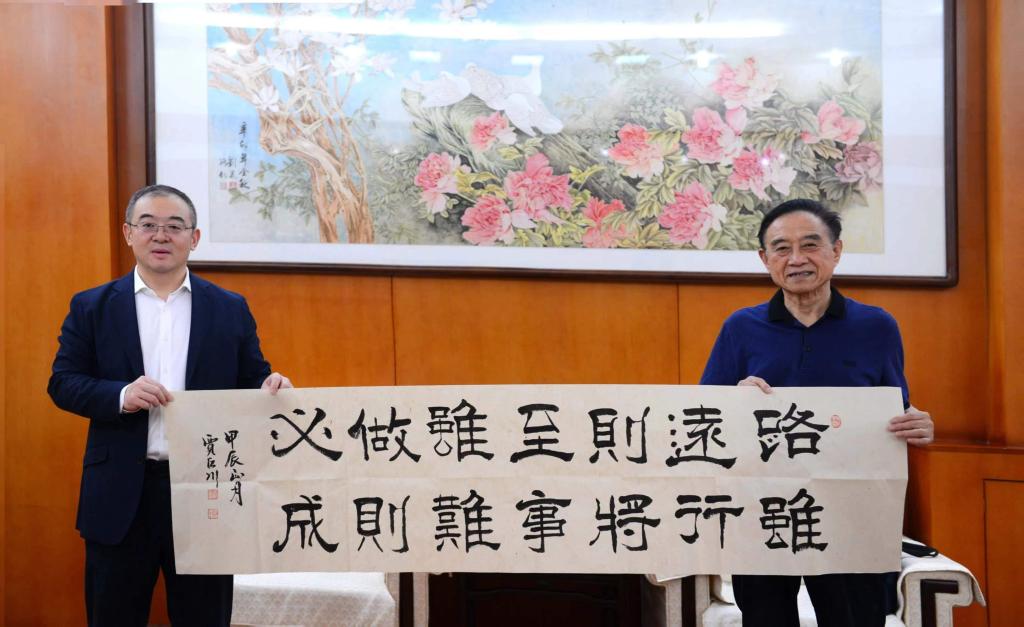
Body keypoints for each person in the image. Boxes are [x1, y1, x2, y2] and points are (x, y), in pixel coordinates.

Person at [48, 184, 293, 626]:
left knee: (205, 617)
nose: (161, 236)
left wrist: (272, 386)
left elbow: (253, 381)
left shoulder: (229, 308)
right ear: (128, 233)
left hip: (207, 491)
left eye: (175, 227)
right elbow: (63, 383)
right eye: (148, 225)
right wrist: (121, 395)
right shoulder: (92, 306)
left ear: (194, 238)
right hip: (121, 494)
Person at [700, 198, 934, 627]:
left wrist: (918, 424)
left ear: (836, 251)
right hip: (763, 512)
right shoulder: (741, 327)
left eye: (810, 245)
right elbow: (705, 418)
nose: (796, 259)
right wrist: (735, 401)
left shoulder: (876, 326)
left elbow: (894, 411)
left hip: (851, 512)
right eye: (781, 248)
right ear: (764, 259)